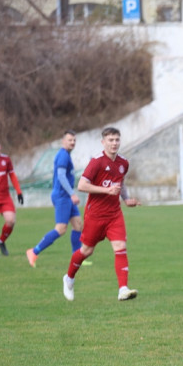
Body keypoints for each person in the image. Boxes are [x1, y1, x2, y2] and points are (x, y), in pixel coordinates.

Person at [62, 127, 140, 302]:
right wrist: (106, 190)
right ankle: (69, 278)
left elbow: (120, 183)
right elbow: (81, 185)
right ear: (103, 142)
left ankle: (123, 289)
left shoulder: (123, 163)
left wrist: (126, 199)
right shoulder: (96, 162)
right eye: (110, 140)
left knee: (120, 247)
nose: (114, 143)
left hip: (114, 215)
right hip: (95, 216)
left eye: (116, 140)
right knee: (86, 251)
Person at [27, 130, 83, 267]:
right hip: (63, 196)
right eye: (70, 140)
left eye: (74, 140)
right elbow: (61, 176)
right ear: (63, 141)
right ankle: (34, 252)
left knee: (78, 224)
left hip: (66, 196)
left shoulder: (66, 155)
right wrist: (72, 194)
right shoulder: (63, 155)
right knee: (61, 228)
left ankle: (76, 258)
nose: (72, 142)